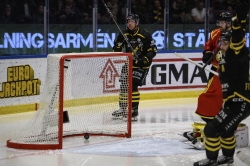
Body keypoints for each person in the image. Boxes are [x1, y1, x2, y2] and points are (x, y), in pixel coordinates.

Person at [194, 1, 250, 165]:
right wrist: (207, 53)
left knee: (211, 130)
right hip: (232, 103)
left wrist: (240, 19)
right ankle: (227, 157)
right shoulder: (223, 56)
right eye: (221, 44)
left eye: (226, 44)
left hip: (240, 102)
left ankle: (211, 160)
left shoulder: (236, 54)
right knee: (226, 130)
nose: (222, 46)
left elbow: (238, 38)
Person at [183, 11, 233, 148]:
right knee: (212, 96)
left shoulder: (237, 36)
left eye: (223, 22)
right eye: (220, 22)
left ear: (229, 22)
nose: (221, 24)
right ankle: (215, 125)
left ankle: (219, 126)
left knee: (219, 97)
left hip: (228, 73)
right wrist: (207, 53)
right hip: (214, 70)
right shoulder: (215, 33)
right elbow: (209, 45)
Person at [112, 13, 157, 121]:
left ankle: (134, 110)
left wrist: (144, 59)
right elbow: (116, 49)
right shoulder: (124, 34)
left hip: (142, 65)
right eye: (128, 21)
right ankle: (122, 109)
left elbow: (153, 50)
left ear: (136, 23)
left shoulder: (144, 34)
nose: (129, 23)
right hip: (129, 64)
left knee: (132, 85)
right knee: (124, 85)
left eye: (131, 21)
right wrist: (117, 45)